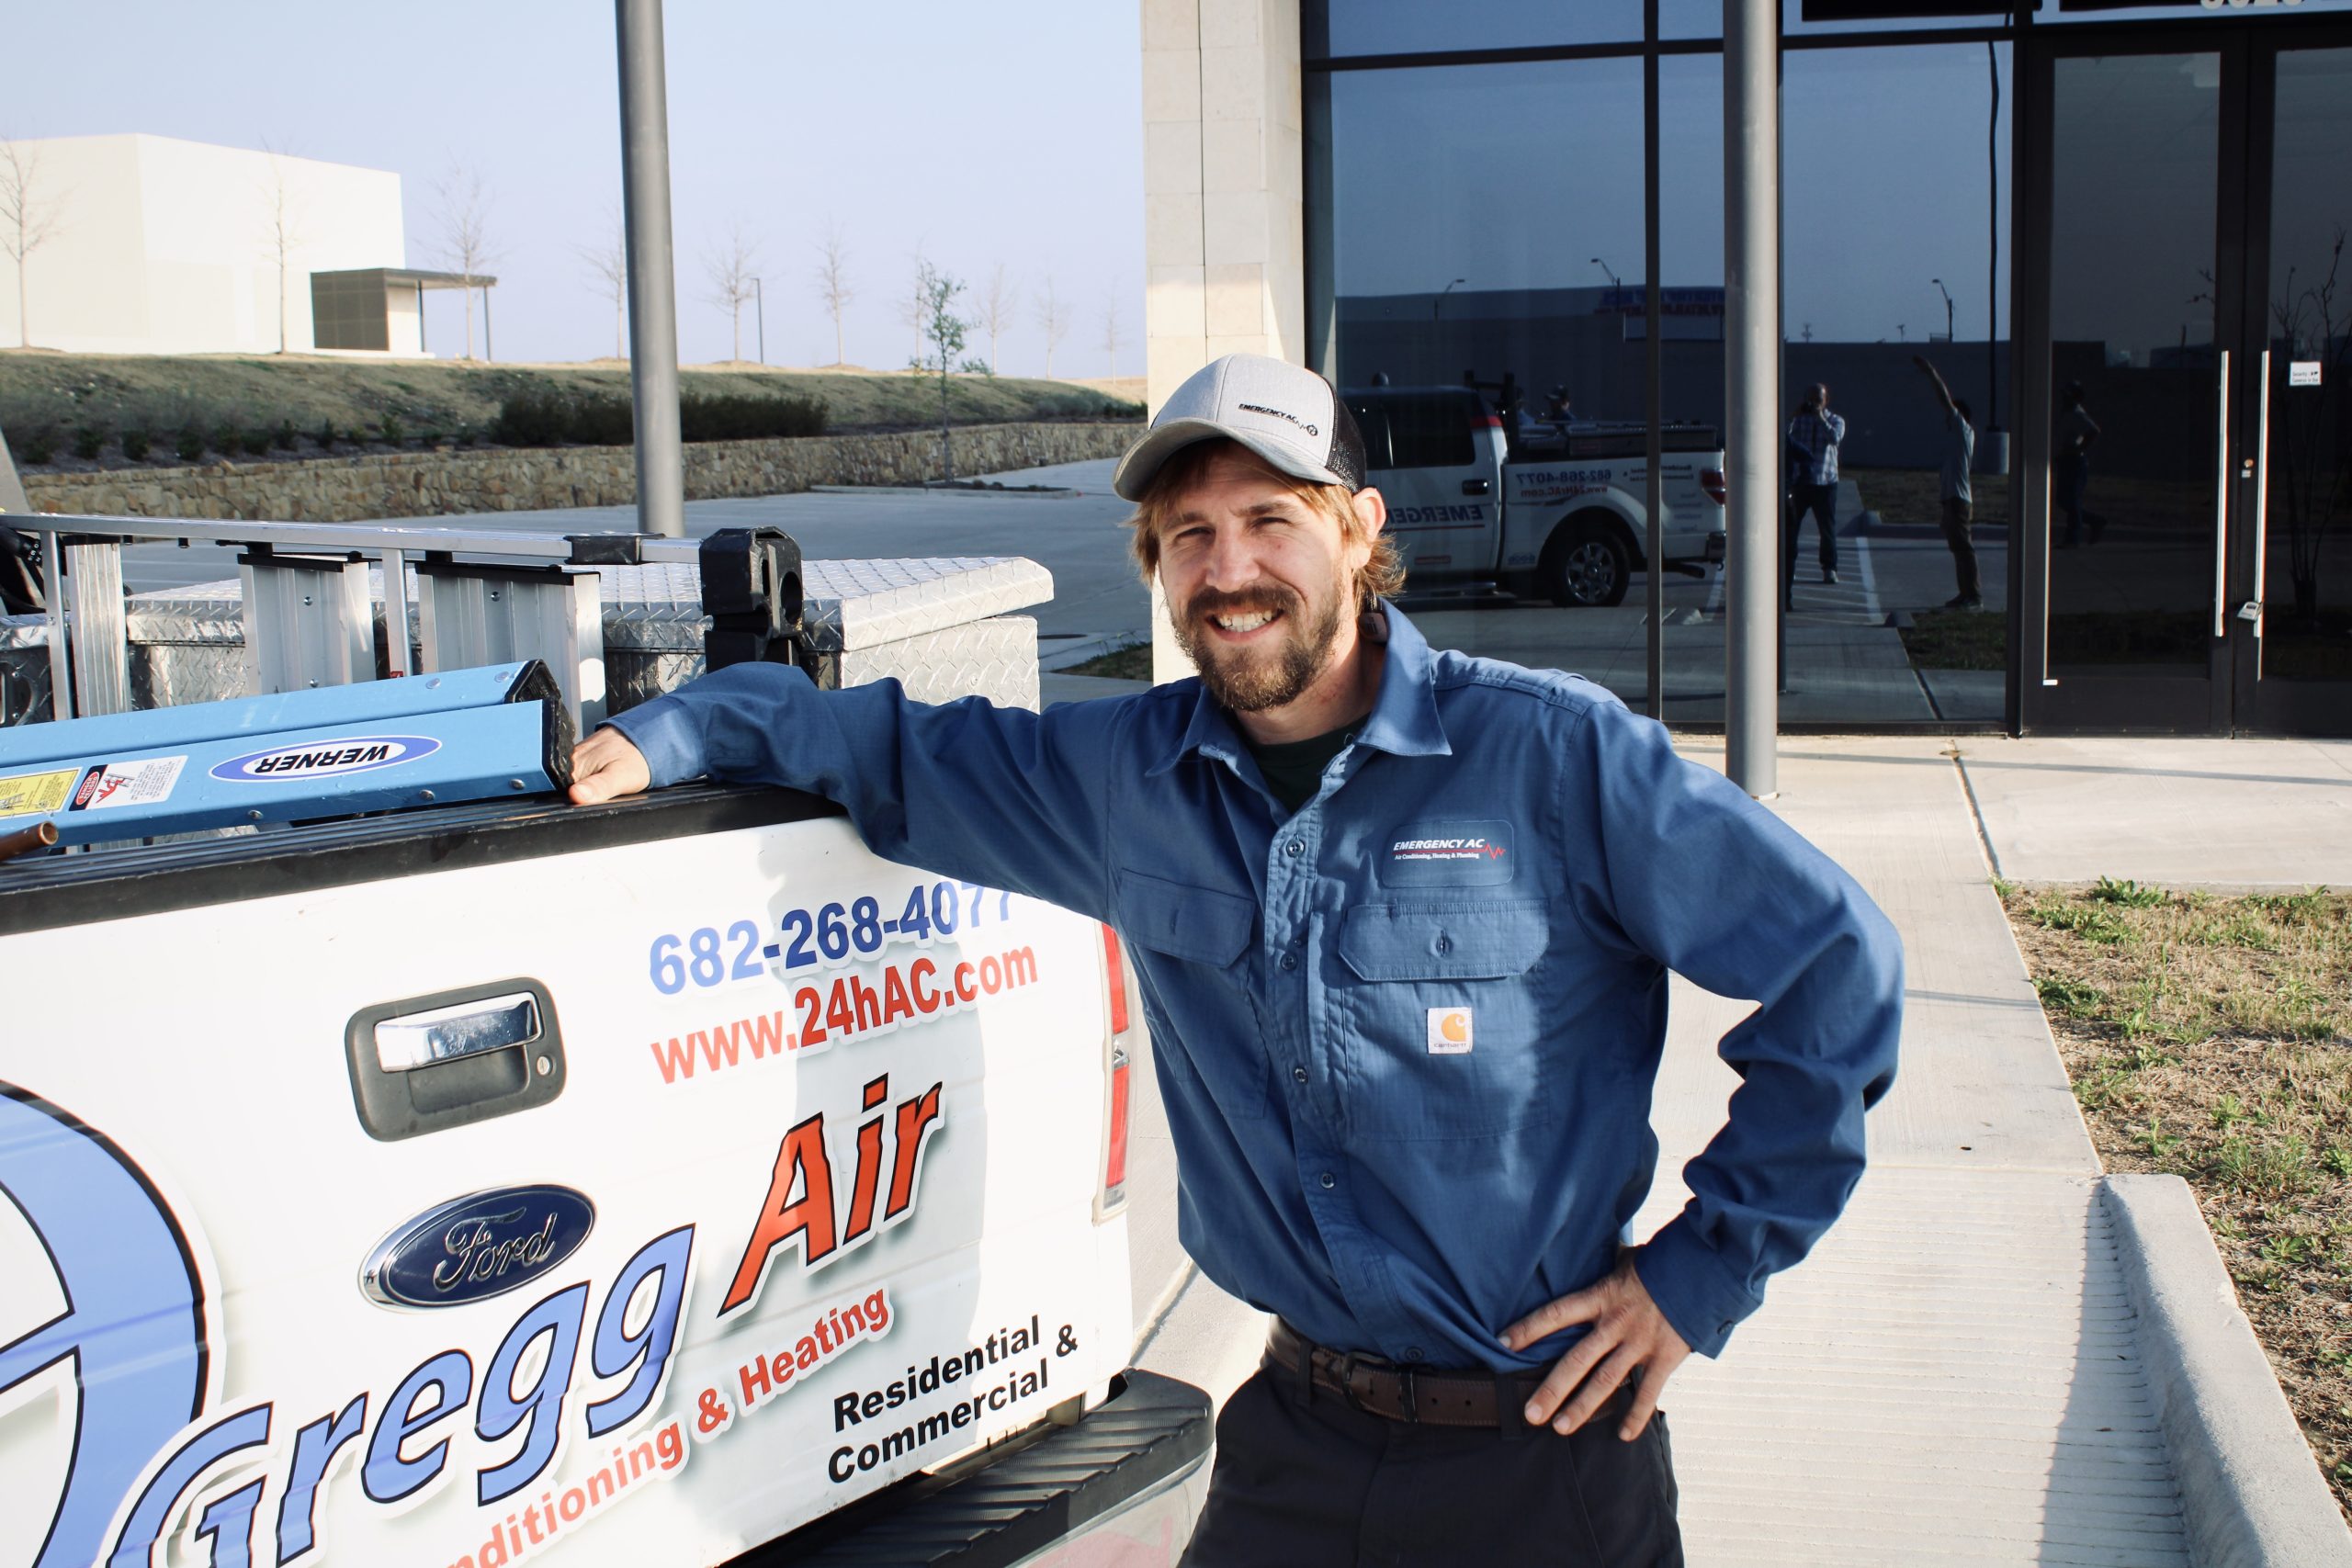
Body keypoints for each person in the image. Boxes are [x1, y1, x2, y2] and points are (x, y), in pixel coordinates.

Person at [569, 354, 1904, 1567]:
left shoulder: (1551, 757)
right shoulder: (1121, 777)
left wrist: (1703, 1268)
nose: (1229, 569)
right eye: (1191, 534)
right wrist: (686, 726)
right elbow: (886, 748)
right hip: (1295, 1450)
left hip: (1540, 1459)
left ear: (1359, 529)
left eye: (1272, 519)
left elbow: (1840, 963)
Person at [1913, 355, 1981, 609]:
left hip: (1959, 500)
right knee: (1958, 551)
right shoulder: (1955, 439)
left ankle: (1974, 596)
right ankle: (1965, 594)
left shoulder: (1963, 430)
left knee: (1965, 549)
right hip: (1951, 500)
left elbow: (1944, 399)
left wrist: (1930, 372)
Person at [1785, 383, 1848, 593]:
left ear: (1826, 401)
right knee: (1791, 528)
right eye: (1810, 399)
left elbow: (1835, 438)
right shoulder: (1799, 420)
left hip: (1825, 482)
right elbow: (1782, 437)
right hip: (1801, 481)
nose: (1813, 404)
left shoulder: (1835, 420)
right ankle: (1788, 567)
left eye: (1817, 400)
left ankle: (1829, 567)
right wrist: (1794, 415)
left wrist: (1820, 418)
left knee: (1827, 529)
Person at [2052, 380, 2103, 548]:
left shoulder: (2077, 413)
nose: (2063, 397)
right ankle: (2096, 521)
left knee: (2072, 501)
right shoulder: (2066, 413)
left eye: (2067, 394)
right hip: (2065, 460)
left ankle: (2072, 538)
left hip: (2074, 461)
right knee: (2063, 500)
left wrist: (2079, 449)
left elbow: (2093, 431)